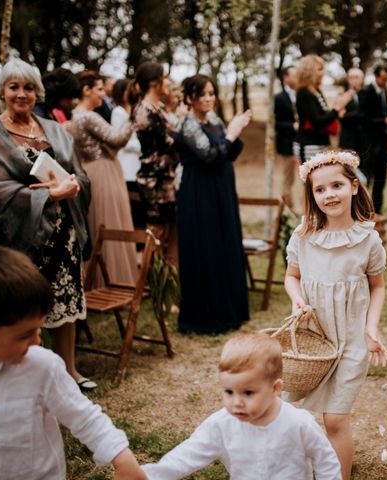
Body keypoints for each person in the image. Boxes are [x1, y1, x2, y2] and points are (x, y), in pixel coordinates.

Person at [0, 246, 146, 480]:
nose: (36, 341)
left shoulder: (42, 367)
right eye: (25, 335)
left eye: (39, 330)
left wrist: (121, 457)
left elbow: (84, 417)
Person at [284, 150, 387, 479]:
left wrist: (371, 328)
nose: (329, 194)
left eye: (337, 186)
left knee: (335, 418)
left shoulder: (367, 240)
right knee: (292, 414)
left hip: (350, 340)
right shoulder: (304, 236)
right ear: (312, 195)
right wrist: (297, 300)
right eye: (320, 189)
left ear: (354, 187)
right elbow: (292, 276)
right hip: (314, 339)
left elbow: (378, 287)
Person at [0, 58, 94, 391]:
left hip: (63, 232)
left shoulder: (52, 128)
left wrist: (74, 185)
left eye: (29, 88)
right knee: (25, 304)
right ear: (2, 91)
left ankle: (69, 372)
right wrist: (47, 197)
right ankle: (28, 375)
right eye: (14, 87)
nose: (22, 94)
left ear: (38, 93)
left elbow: (78, 171)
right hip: (23, 237)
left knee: (66, 299)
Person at [141, 332, 342, 479]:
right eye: (229, 392)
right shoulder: (221, 424)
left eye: (248, 393)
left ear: (275, 388)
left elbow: (326, 461)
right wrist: (148, 476)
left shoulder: (299, 423)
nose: (237, 402)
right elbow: (188, 455)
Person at [174, 74, 251, 334]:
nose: (208, 98)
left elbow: (230, 153)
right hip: (199, 192)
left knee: (225, 241)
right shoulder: (188, 125)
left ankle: (230, 310)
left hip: (222, 190)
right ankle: (205, 316)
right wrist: (230, 134)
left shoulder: (215, 120)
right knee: (206, 245)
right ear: (190, 98)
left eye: (211, 93)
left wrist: (234, 132)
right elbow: (209, 155)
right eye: (202, 94)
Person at [70, 70, 137, 287]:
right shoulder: (87, 116)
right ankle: (113, 281)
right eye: (99, 89)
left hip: (93, 169)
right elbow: (116, 139)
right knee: (109, 222)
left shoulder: (76, 116)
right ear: (86, 90)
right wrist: (134, 117)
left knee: (101, 221)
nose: (103, 95)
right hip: (102, 172)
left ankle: (101, 280)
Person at [132, 61, 179, 263]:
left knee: (168, 235)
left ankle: (167, 283)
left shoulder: (159, 108)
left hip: (166, 178)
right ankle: (155, 285)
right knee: (156, 235)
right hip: (154, 182)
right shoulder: (144, 111)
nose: (168, 81)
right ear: (154, 82)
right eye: (165, 77)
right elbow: (170, 143)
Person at [360, 65, 387, 214]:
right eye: (383, 78)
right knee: (367, 177)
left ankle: (377, 210)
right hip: (369, 142)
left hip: (383, 142)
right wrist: (386, 121)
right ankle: (363, 209)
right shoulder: (366, 92)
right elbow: (364, 119)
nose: (385, 81)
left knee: (381, 177)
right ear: (376, 76)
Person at [296, 55, 352, 163]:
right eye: (319, 69)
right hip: (310, 144)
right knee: (313, 179)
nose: (323, 73)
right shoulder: (304, 92)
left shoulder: (316, 91)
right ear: (309, 71)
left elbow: (323, 115)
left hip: (321, 142)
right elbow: (317, 121)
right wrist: (336, 109)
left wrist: (337, 108)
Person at [111, 78, 146, 230]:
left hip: (136, 165)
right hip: (126, 166)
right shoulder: (118, 112)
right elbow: (120, 140)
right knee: (133, 206)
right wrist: (142, 146)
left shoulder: (132, 111)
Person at [274, 65, 300, 211]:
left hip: (303, 144)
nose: (297, 78)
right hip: (287, 145)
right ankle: (290, 212)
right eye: (294, 75)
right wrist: (292, 126)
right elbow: (275, 124)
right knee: (288, 180)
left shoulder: (302, 95)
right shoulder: (279, 98)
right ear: (286, 78)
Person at [338, 68, 365, 161]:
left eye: (356, 77)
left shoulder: (366, 95)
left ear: (362, 79)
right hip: (348, 139)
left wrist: (349, 114)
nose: (353, 80)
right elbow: (341, 116)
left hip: (364, 139)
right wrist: (360, 113)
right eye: (350, 77)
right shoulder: (342, 95)